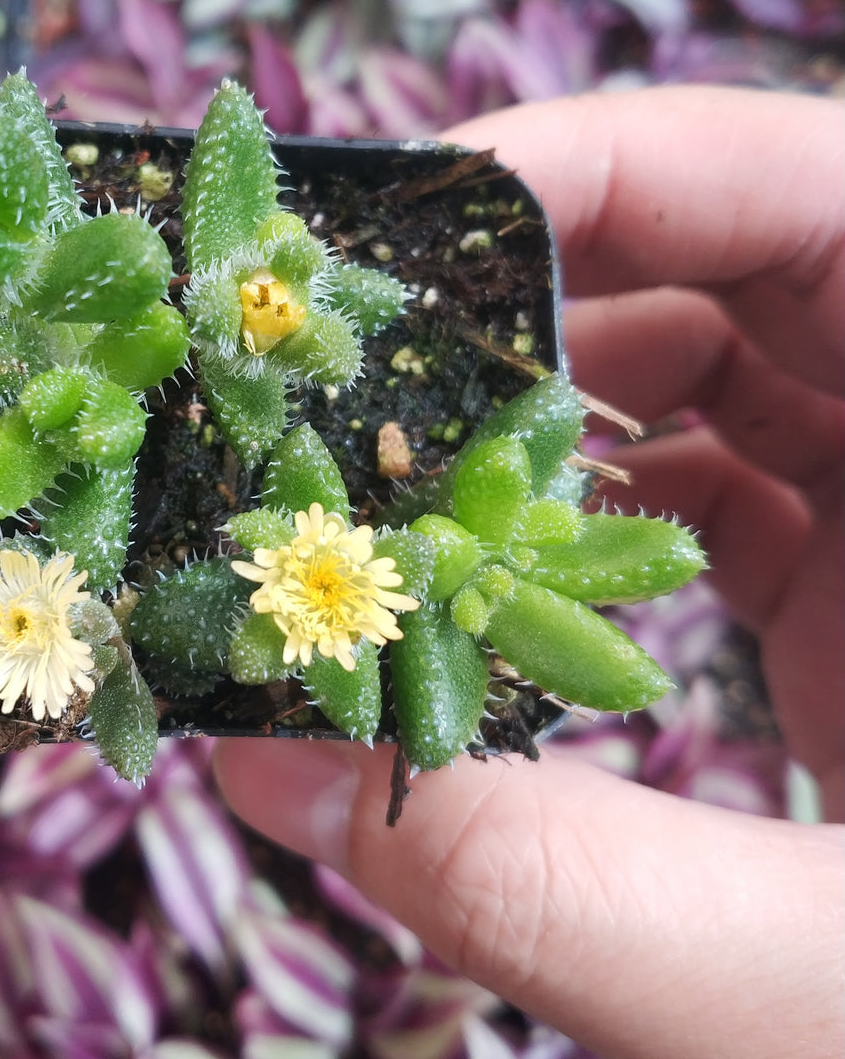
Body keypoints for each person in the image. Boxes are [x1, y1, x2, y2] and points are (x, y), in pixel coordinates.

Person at [213, 86, 845, 1059]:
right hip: (351, 546)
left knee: (498, 506)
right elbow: (459, 510)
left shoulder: (432, 563)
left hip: (381, 572)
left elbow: (474, 512)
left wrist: (453, 574)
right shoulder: (378, 532)